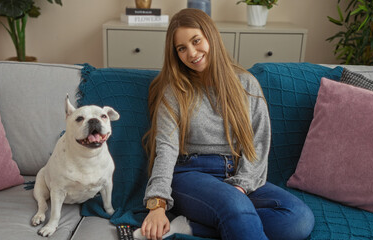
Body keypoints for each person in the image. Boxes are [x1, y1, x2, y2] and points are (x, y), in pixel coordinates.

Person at [135, 8, 315, 240]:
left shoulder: (247, 84)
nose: (191, 53)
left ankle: (189, 228)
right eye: (181, 48)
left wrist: (241, 185)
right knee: (235, 208)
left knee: (298, 219)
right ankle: (233, 218)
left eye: (196, 41)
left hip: (235, 174)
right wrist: (157, 205)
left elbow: (258, 144)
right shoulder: (174, 91)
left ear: (211, 36)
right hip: (190, 174)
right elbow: (166, 149)